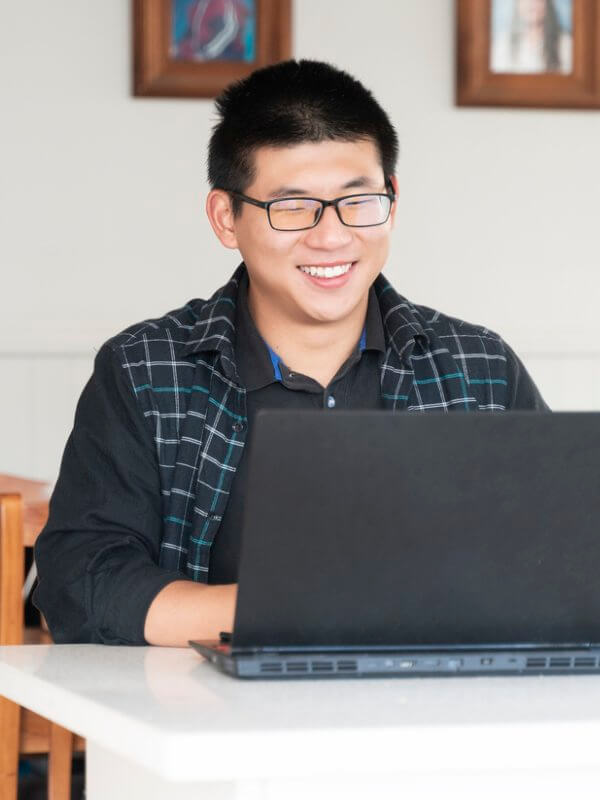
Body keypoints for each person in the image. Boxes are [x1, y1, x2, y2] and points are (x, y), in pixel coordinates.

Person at [32, 59, 549, 648]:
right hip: (202, 721)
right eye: (292, 207)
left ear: (393, 199)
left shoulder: (478, 368)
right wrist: (309, 607)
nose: (331, 236)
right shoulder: (145, 369)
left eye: (358, 201)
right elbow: (80, 584)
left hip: (436, 720)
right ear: (226, 217)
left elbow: (555, 563)